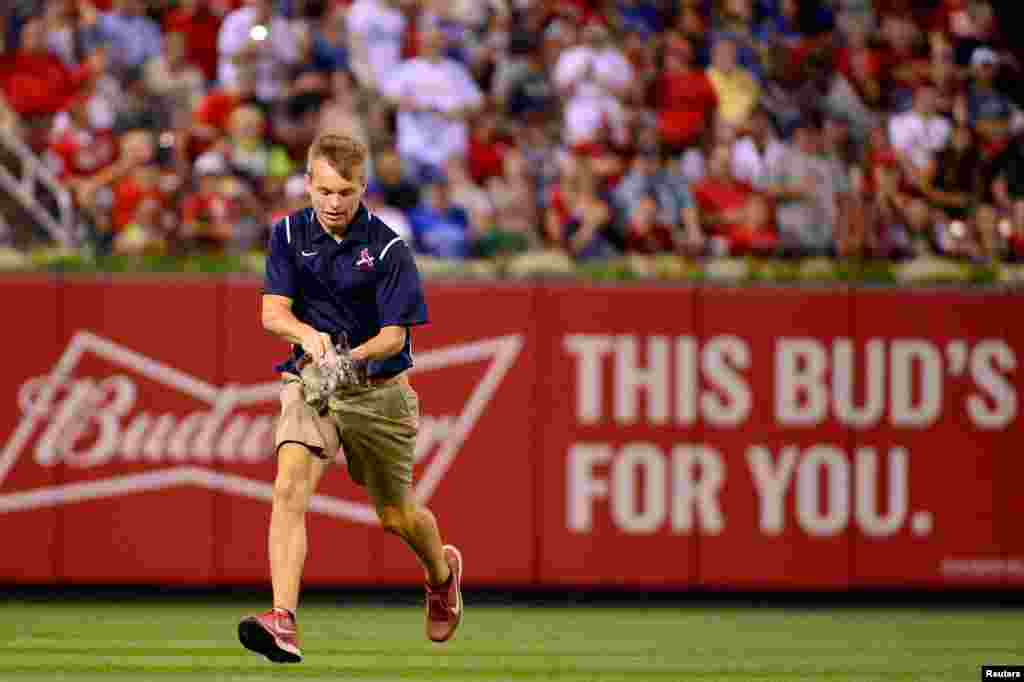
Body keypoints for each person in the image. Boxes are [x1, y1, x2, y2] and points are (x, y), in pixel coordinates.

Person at [238, 133, 464, 663]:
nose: (333, 203)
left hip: (377, 392)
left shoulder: (388, 249)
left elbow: (394, 339)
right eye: (324, 191)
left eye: (345, 191)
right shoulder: (288, 234)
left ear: (363, 186)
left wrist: (345, 358)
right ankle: (283, 620)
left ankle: (441, 575)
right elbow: (273, 312)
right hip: (310, 382)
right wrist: (305, 337)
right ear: (308, 186)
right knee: (289, 485)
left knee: (397, 517)